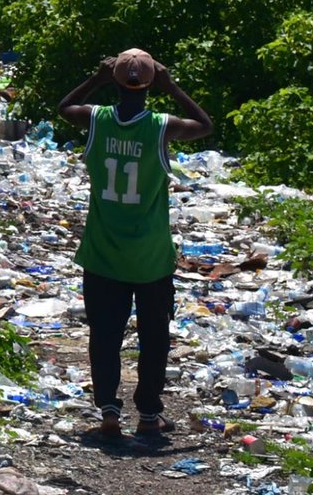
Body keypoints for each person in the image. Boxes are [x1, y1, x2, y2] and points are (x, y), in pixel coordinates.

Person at [57, 48, 212, 439]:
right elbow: (205, 125)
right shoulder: (162, 126)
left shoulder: (96, 119)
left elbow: (65, 107)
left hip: (103, 254)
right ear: (149, 85)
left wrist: (97, 78)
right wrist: (171, 85)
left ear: (117, 82)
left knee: (105, 335)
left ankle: (109, 411)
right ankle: (147, 415)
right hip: (150, 259)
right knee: (154, 338)